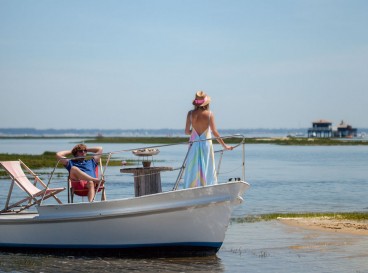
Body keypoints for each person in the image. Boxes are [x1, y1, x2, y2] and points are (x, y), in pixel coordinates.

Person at [183, 91, 233, 189]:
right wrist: (225, 146)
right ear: (206, 103)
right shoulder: (209, 114)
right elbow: (214, 132)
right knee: (207, 166)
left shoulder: (190, 113)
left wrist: (193, 133)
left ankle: (191, 187)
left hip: (193, 144)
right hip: (205, 143)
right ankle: (207, 188)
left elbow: (186, 131)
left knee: (192, 167)